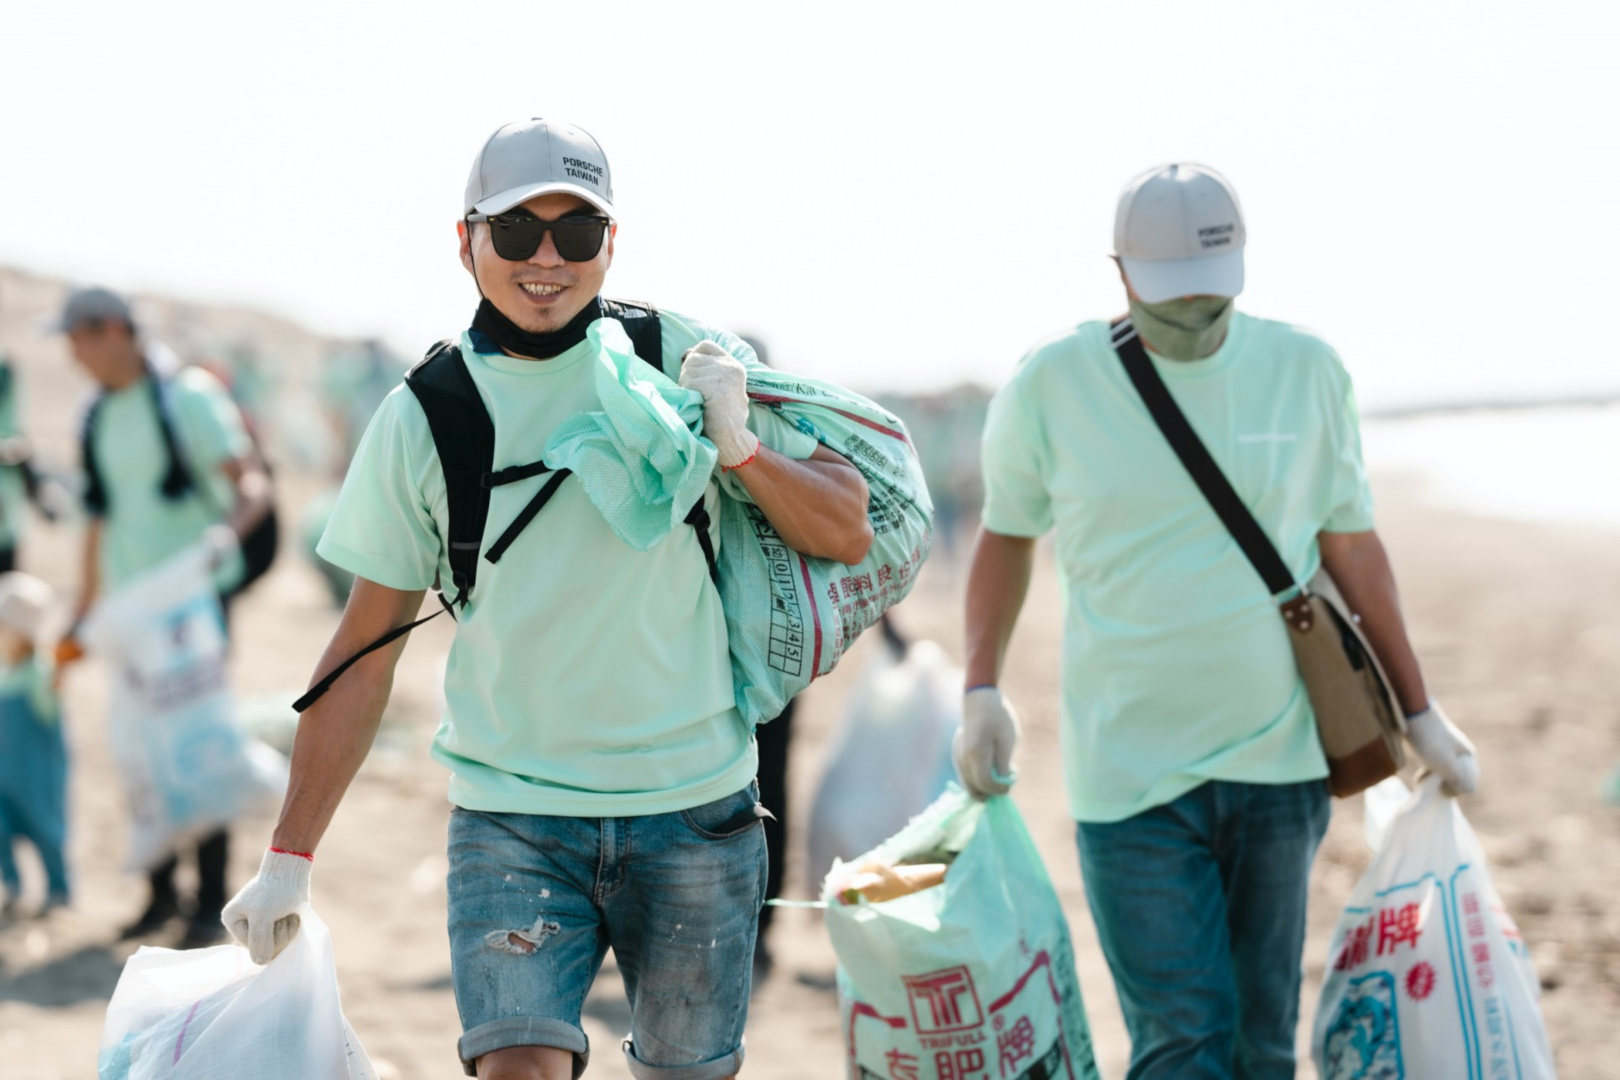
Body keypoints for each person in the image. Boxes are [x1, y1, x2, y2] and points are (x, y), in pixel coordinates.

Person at [223, 118, 873, 1080]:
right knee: (514, 1069)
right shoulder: (427, 414)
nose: (547, 258)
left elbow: (847, 525)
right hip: (511, 820)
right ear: (467, 241)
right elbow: (366, 646)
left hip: (697, 812)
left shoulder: (683, 356)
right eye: (518, 229)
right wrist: (290, 857)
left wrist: (738, 445)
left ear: (612, 244)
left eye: (576, 232)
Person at [959, 162, 1480, 1080]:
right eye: (1173, 296)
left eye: (1211, 293)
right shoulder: (1052, 382)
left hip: (1281, 769)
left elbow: (1353, 547)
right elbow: (1006, 537)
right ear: (1120, 273)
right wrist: (980, 689)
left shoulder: (1307, 370)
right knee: (1183, 1040)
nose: (1195, 314)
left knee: (1261, 1044)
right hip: (1129, 780)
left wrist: (1420, 709)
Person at [55, 285, 274, 949]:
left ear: (112, 331)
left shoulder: (190, 398)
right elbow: (98, 521)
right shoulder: (94, 414)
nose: (71, 355)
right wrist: (83, 612)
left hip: (191, 606)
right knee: (139, 746)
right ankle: (158, 895)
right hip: (129, 614)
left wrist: (222, 540)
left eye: (76, 339)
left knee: (198, 741)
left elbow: (251, 485)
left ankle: (209, 902)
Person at [0, 571, 69, 917]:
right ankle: (12, 884)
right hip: (6, 772)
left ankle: (59, 889)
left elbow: (50, 708)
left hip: (38, 772)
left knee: (47, 830)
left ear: (23, 632)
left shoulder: (40, 673)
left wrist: (53, 680)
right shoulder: (4, 673)